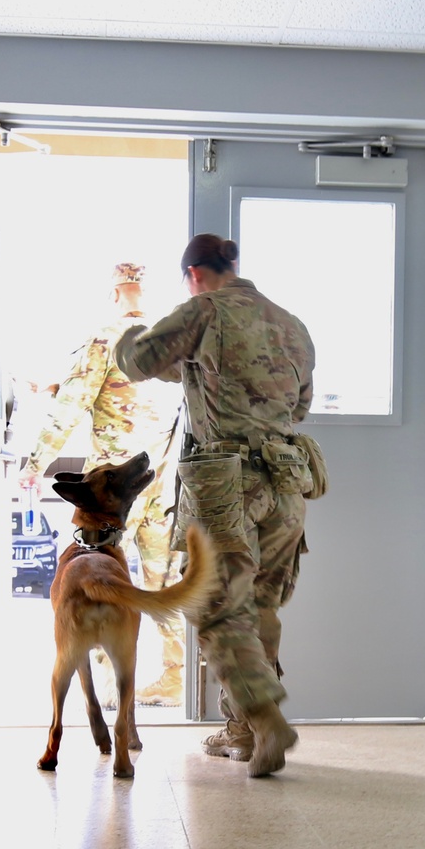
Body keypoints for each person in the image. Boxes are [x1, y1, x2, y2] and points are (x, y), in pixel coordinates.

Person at [115, 233, 316, 778]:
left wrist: (129, 328)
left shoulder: (203, 310)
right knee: (260, 607)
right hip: (285, 484)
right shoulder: (290, 324)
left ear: (194, 275)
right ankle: (243, 730)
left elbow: (138, 361)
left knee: (215, 607)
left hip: (226, 486)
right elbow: (298, 406)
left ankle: (265, 718)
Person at [19, 262, 186, 704]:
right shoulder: (170, 341)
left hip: (111, 491)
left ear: (115, 294)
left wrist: (35, 462)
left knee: (101, 577)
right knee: (162, 577)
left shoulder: (104, 339)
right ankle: (177, 677)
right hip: (160, 480)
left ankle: (109, 689)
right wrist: (57, 385)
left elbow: (73, 406)